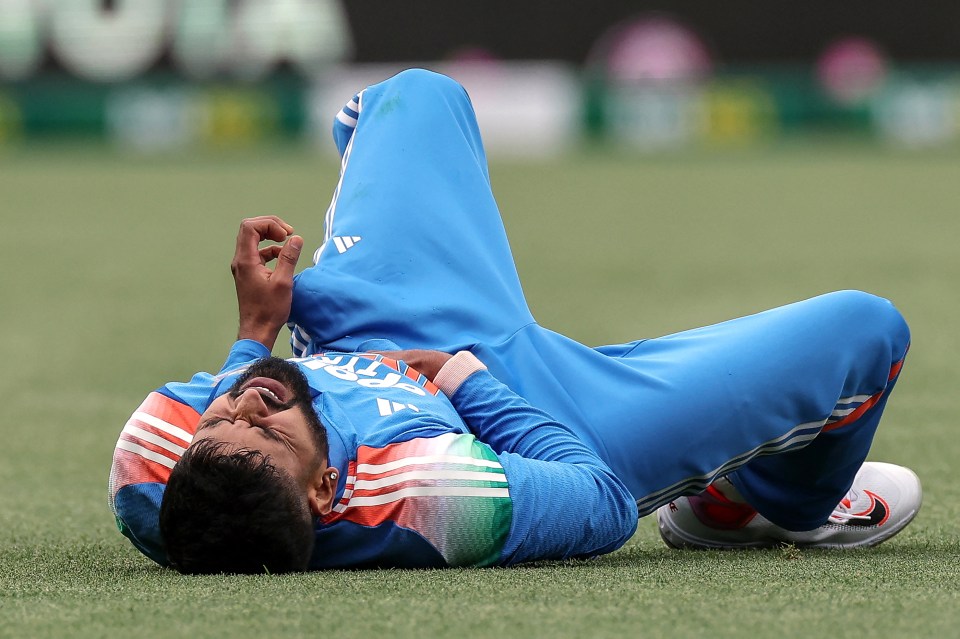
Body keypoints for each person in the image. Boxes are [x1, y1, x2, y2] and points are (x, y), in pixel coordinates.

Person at [109, 69, 920, 573]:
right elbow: (601, 500)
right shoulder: (433, 494)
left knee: (418, 96)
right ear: (326, 488)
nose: (246, 401)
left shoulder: (154, 470)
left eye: (221, 418)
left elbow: (234, 416)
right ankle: (753, 504)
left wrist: (254, 336)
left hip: (367, 326)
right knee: (865, 331)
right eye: (267, 430)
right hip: (529, 413)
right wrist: (465, 376)